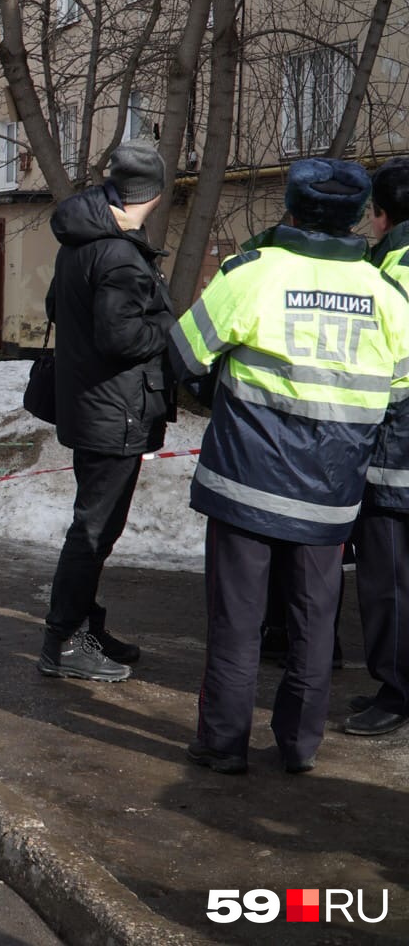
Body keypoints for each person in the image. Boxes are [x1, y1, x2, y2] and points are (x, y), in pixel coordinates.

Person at [170, 158, 409, 774]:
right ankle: (299, 745)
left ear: (293, 211)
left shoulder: (252, 273)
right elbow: (400, 389)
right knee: (314, 622)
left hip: (246, 481)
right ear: (359, 216)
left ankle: (222, 744)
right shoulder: (386, 292)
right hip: (331, 490)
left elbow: (185, 353)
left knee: (237, 621)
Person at [37, 140, 175, 683]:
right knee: (94, 531)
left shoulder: (83, 240)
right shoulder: (118, 253)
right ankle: (64, 642)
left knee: (95, 526)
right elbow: (121, 338)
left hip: (91, 403)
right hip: (113, 409)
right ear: (155, 195)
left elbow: (55, 307)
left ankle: (83, 627)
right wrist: (170, 328)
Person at [346, 157, 409, 737]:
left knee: (388, 580)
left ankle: (396, 691)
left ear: (381, 216)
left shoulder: (383, 276)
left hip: (395, 456)